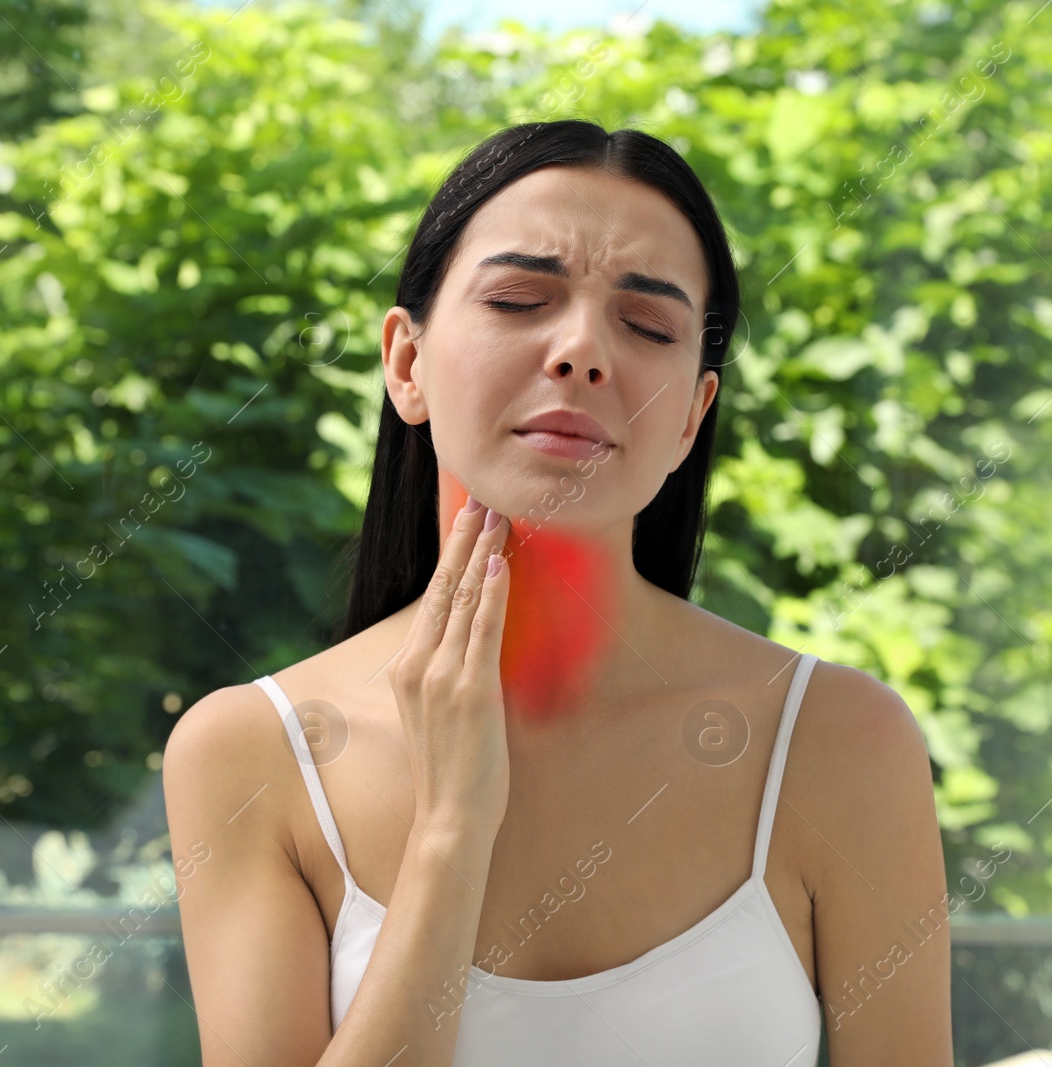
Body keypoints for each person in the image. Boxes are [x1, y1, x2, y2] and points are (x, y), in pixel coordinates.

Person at [163, 119, 951, 1066]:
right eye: (519, 300)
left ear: (694, 417)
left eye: (648, 326)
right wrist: (450, 833)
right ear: (405, 363)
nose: (581, 352)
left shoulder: (841, 741)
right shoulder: (250, 752)